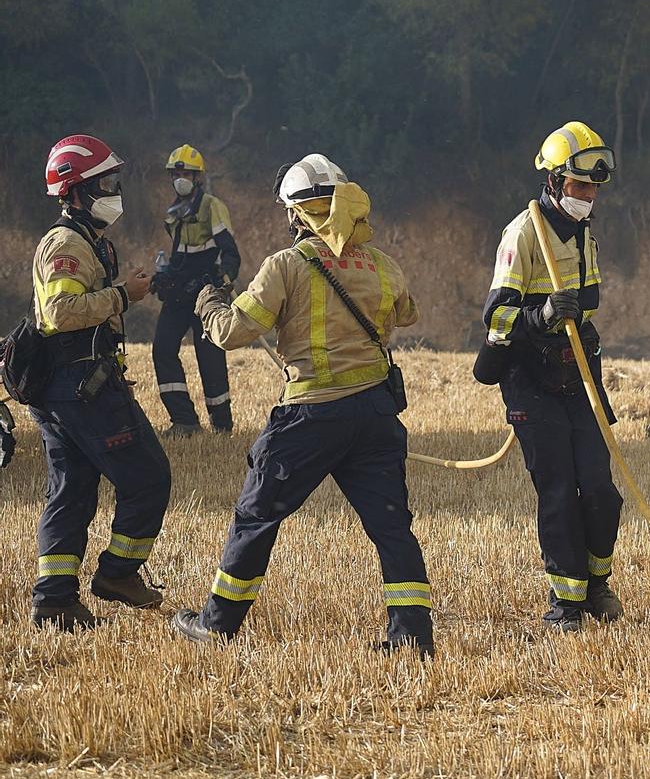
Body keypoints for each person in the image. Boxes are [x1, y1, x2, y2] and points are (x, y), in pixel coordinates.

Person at [170, 154, 433, 655]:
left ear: (295, 214)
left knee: (256, 514)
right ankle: (412, 637)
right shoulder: (381, 263)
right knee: (392, 527)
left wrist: (207, 302)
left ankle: (217, 624)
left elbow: (230, 332)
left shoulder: (285, 266)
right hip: (375, 416)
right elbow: (407, 313)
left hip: (311, 416)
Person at [473, 121, 624, 632]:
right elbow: (495, 317)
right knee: (558, 491)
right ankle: (566, 605)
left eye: (594, 188)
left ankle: (597, 583)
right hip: (530, 379)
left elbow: (592, 300)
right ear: (556, 181)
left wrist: (574, 318)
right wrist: (539, 317)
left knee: (601, 489)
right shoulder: (523, 233)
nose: (589, 196)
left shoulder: (585, 234)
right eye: (581, 186)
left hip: (577, 370)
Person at [26, 135, 171, 630]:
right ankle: (117, 574)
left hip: (70, 389)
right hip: (81, 389)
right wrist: (122, 296)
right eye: (103, 185)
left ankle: (54, 600)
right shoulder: (65, 244)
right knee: (149, 478)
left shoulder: (91, 242)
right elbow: (57, 315)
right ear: (73, 193)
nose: (113, 192)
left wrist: (121, 289)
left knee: (72, 492)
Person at [152, 144, 241, 435]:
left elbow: (229, 252)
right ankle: (184, 421)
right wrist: (163, 277)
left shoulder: (212, 206)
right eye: (175, 172)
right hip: (180, 291)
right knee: (162, 349)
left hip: (205, 293)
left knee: (210, 357)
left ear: (197, 176)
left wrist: (223, 280)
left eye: (185, 172)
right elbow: (179, 255)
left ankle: (222, 425)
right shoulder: (174, 212)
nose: (179, 177)